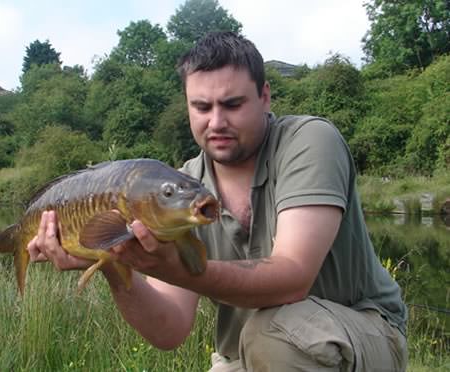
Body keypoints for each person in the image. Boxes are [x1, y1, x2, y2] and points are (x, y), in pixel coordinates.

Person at [27, 31, 408, 371]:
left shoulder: (309, 141)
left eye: (232, 104)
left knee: (271, 334)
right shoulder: (179, 187)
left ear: (264, 96)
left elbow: (292, 277)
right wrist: (113, 262)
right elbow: (169, 329)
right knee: (264, 340)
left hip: (363, 337)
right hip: (246, 357)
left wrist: (176, 268)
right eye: (202, 107)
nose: (216, 122)